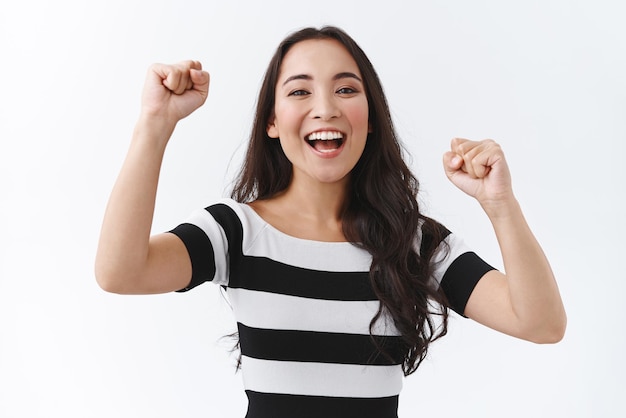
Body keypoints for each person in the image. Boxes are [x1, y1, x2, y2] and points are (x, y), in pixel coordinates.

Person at [95, 26, 566, 418]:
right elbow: (120, 272)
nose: (326, 107)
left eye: (346, 89)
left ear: (371, 118)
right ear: (273, 122)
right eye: (300, 90)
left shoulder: (413, 241)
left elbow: (541, 323)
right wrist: (155, 124)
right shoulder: (234, 231)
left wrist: (499, 204)